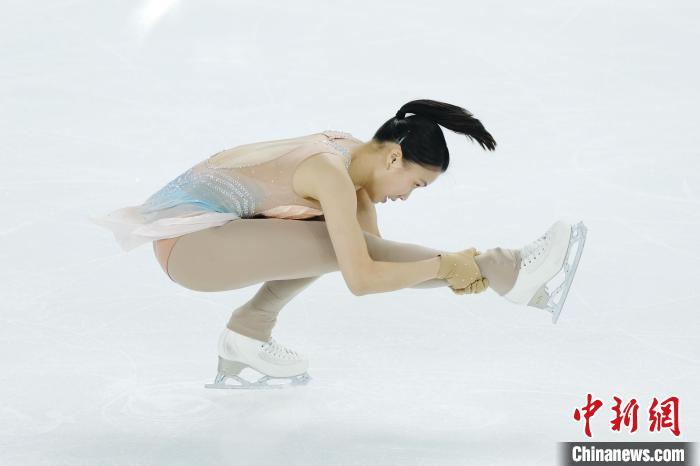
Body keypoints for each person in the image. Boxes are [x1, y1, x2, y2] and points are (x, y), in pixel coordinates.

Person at [90, 98, 587, 390]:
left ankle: (247, 333)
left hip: (209, 239)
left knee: (342, 240)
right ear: (393, 159)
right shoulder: (330, 174)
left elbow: (375, 257)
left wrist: (454, 270)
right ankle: (509, 270)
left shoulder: (352, 158)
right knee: (335, 241)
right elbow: (363, 278)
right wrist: (459, 266)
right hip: (191, 249)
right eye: (415, 185)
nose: (405, 197)